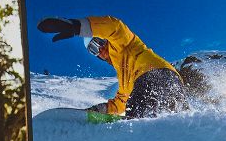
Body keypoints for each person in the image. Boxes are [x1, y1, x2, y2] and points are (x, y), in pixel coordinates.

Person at [38, 15, 186, 118]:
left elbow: (114, 26)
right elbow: (120, 103)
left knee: (136, 118)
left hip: (157, 76)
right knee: (169, 122)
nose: (100, 50)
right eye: (93, 49)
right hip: (175, 87)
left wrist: (76, 26)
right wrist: (98, 110)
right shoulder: (124, 77)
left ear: (105, 39)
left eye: (98, 42)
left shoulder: (124, 43)